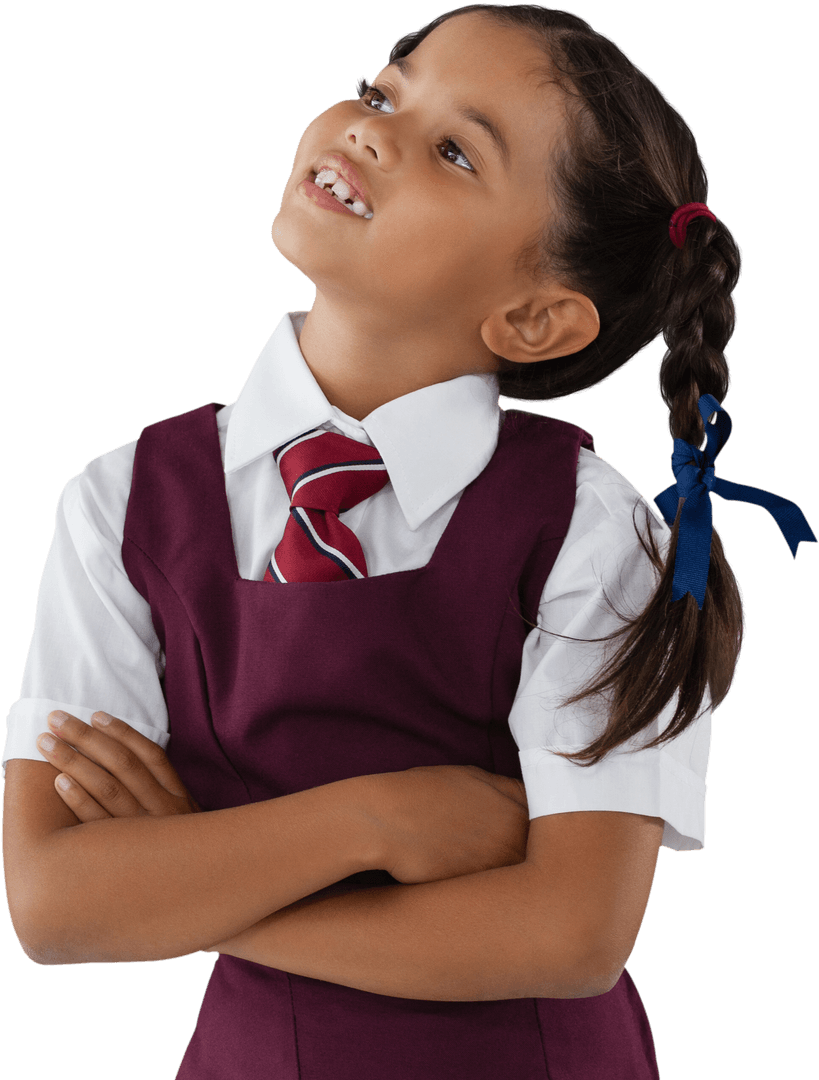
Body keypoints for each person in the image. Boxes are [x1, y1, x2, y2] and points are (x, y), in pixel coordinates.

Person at [3, 5, 815, 1079]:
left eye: (453, 149)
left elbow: (570, 936)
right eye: (386, 89)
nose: (367, 127)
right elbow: (56, 906)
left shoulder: (593, 531)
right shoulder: (117, 505)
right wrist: (377, 821)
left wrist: (188, 885)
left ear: (535, 320)